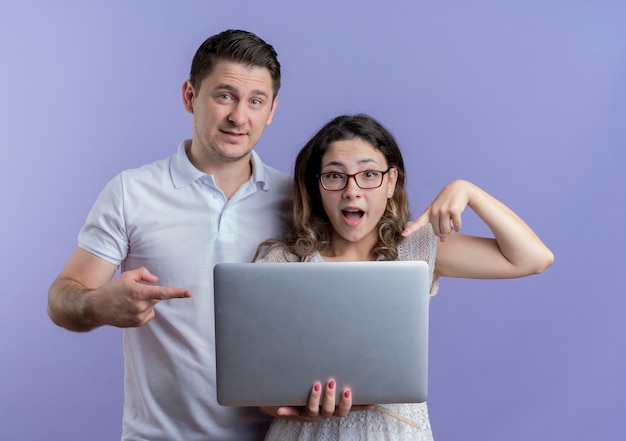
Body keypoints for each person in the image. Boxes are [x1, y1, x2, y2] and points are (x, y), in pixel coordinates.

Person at [46, 30, 427, 440]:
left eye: (256, 101)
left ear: (272, 109)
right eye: (224, 96)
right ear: (190, 96)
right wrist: (97, 304)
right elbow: (62, 298)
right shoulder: (130, 192)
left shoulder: (299, 203)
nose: (239, 116)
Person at [254, 113, 554, 440]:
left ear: (391, 182)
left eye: (369, 174)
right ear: (317, 185)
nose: (352, 191)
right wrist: (303, 409)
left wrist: (466, 190)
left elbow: (534, 258)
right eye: (335, 176)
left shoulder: (416, 250)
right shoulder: (282, 261)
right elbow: (262, 394)